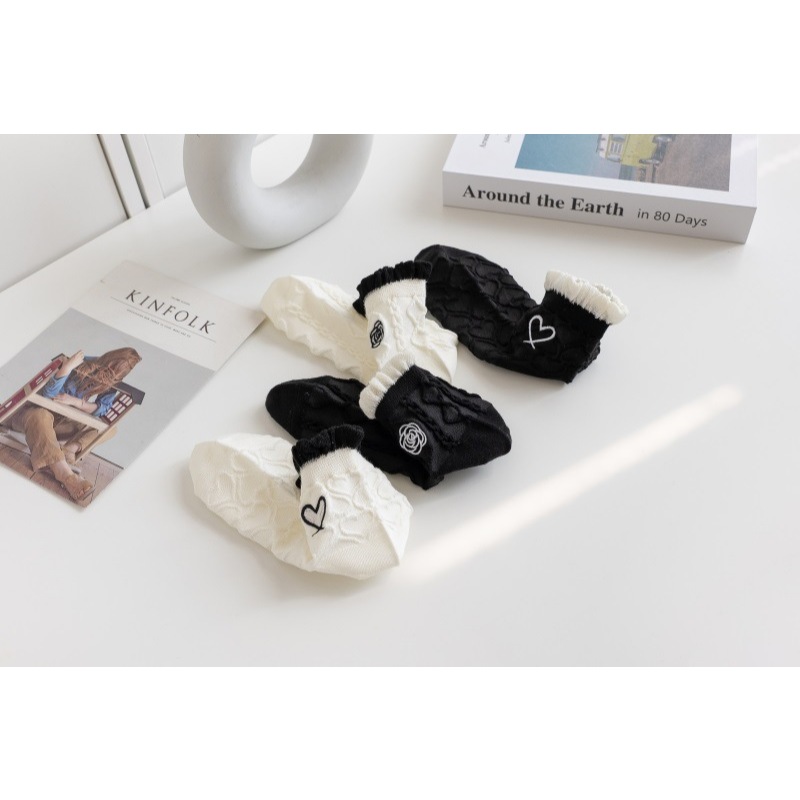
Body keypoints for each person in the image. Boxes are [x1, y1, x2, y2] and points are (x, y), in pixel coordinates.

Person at [9, 347, 142, 502]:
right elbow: (47, 394)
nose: (110, 372)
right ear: (110, 357)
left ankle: (68, 450)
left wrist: (76, 402)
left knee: (110, 429)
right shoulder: (82, 362)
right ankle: (66, 476)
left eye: (116, 373)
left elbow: (102, 409)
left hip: (59, 421)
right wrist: (66, 368)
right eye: (111, 366)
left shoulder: (112, 380)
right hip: (31, 415)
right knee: (41, 415)